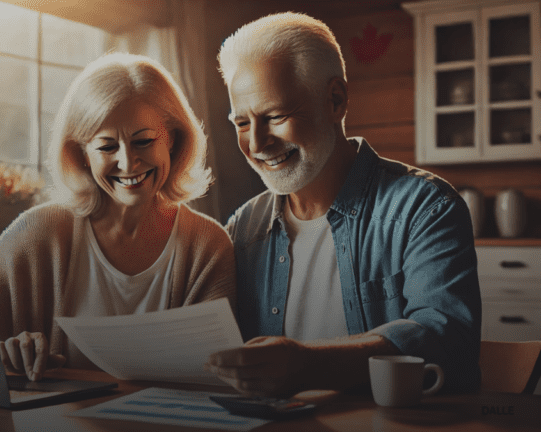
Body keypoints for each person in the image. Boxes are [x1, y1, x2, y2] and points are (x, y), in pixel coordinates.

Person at [204, 12, 481, 397]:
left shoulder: (426, 208)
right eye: (242, 123)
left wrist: (309, 365)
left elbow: (445, 337)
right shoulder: (242, 227)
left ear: (335, 100)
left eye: (275, 116)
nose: (256, 144)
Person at [0, 53, 236, 381]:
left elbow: (218, 372)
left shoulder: (208, 245)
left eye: (144, 141)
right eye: (107, 147)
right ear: (82, 154)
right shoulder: (35, 232)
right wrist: (8, 350)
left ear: (173, 139)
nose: (128, 162)